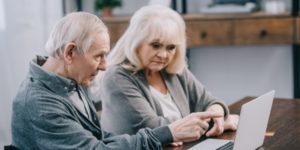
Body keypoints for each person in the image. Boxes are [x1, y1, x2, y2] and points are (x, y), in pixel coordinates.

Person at [11, 12, 224, 150]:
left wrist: (166, 134)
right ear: (70, 52)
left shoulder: (70, 81)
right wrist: (166, 133)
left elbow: (101, 140)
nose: (104, 65)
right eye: (98, 56)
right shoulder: (39, 104)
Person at [100, 5, 239, 140]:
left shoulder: (172, 69)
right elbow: (154, 128)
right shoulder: (116, 78)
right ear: (136, 42)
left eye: (171, 47)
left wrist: (217, 115)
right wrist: (213, 125)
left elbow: (208, 101)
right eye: (156, 45)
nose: (163, 55)